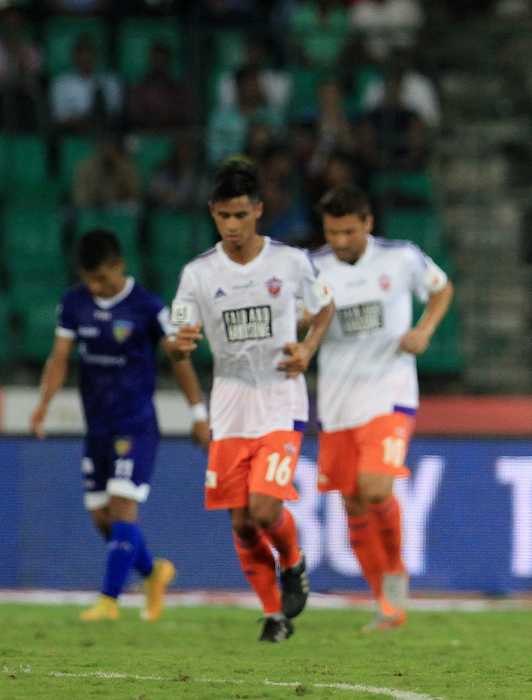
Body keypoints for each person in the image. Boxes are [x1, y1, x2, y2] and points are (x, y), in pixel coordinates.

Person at [166, 161, 335, 642]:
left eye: (241, 214)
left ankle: (295, 564)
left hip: (281, 399)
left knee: (263, 510)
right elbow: (175, 342)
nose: (233, 226)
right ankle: (275, 616)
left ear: (259, 210)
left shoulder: (290, 262)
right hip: (230, 404)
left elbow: (325, 308)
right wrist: (180, 343)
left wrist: (307, 348)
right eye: (223, 216)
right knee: (241, 522)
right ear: (213, 215)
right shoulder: (198, 274)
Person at [31, 229, 207, 622]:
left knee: (121, 504)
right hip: (98, 425)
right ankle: (153, 571)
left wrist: (198, 412)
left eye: (103, 279)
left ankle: (109, 601)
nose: (96, 286)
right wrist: (43, 404)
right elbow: (60, 358)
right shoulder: (74, 303)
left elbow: (178, 357)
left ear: (120, 266)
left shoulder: (146, 306)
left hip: (136, 423)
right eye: (89, 279)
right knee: (102, 518)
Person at [311, 184, 453, 631]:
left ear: (368, 224)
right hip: (336, 399)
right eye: (332, 232)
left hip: (388, 392)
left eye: (348, 231)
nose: (340, 241)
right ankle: (386, 605)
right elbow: (297, 320)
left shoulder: (400, 257)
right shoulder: (311, 269)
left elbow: (442, 288)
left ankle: (395, 574)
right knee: (352, 503)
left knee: (375, 489)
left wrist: (425, 329)